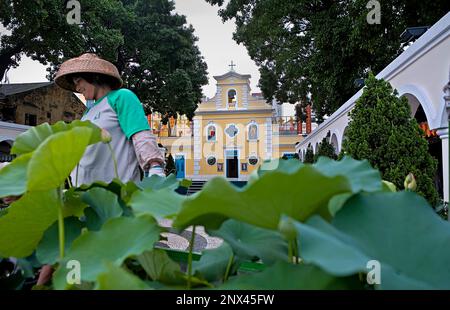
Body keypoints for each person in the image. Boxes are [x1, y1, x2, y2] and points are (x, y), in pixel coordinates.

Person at [54, 53, 165, 184]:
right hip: (84, 194)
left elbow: (140, 134)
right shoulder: (87, 113)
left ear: (94, 77)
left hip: (117, 193)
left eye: (78, 81)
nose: (77, 88)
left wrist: (154, 165)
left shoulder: (121, 97)